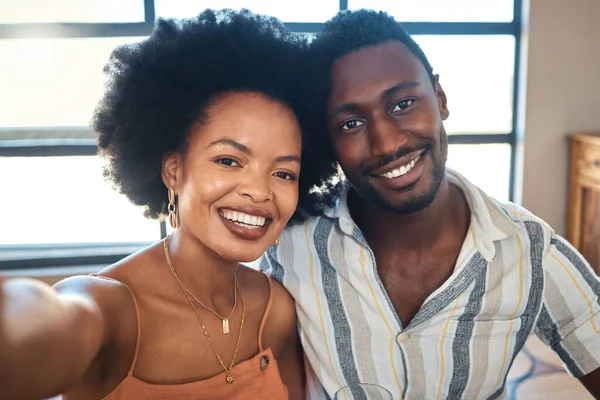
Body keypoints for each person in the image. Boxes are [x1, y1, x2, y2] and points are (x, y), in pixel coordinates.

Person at [260, 9, 600, 399]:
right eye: (351, 124)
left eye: (403, 103)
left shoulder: (531, 251)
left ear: (439, 99)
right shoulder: (287, 245)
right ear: (328, 141)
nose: (387, 144)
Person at [0, 9, 337, 400]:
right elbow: (42, 324)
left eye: (283, 173)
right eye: (229, 161)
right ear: (173, 170)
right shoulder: (112, 308)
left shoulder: (273, 311)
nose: (260, 192)